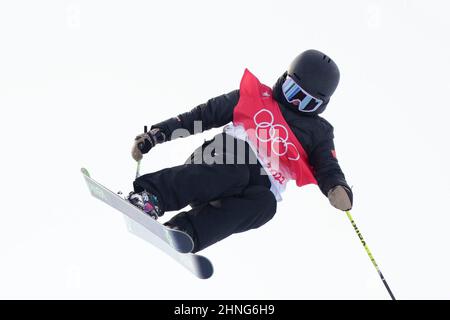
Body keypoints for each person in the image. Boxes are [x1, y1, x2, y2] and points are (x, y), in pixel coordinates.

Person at [128, 49, 353, 253]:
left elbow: (328, 167)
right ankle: (151, 197)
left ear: (321, 106)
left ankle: (185, 231)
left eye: (306, 102)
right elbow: (200, 116)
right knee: (236, 170)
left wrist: (337, 187)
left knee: (266, 205)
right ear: (284, 79)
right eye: (292, 90)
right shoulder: (253, 97)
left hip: (257, 185)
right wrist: (156, 134)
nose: (294, 102)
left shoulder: (319, 132)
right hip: (219, 159)